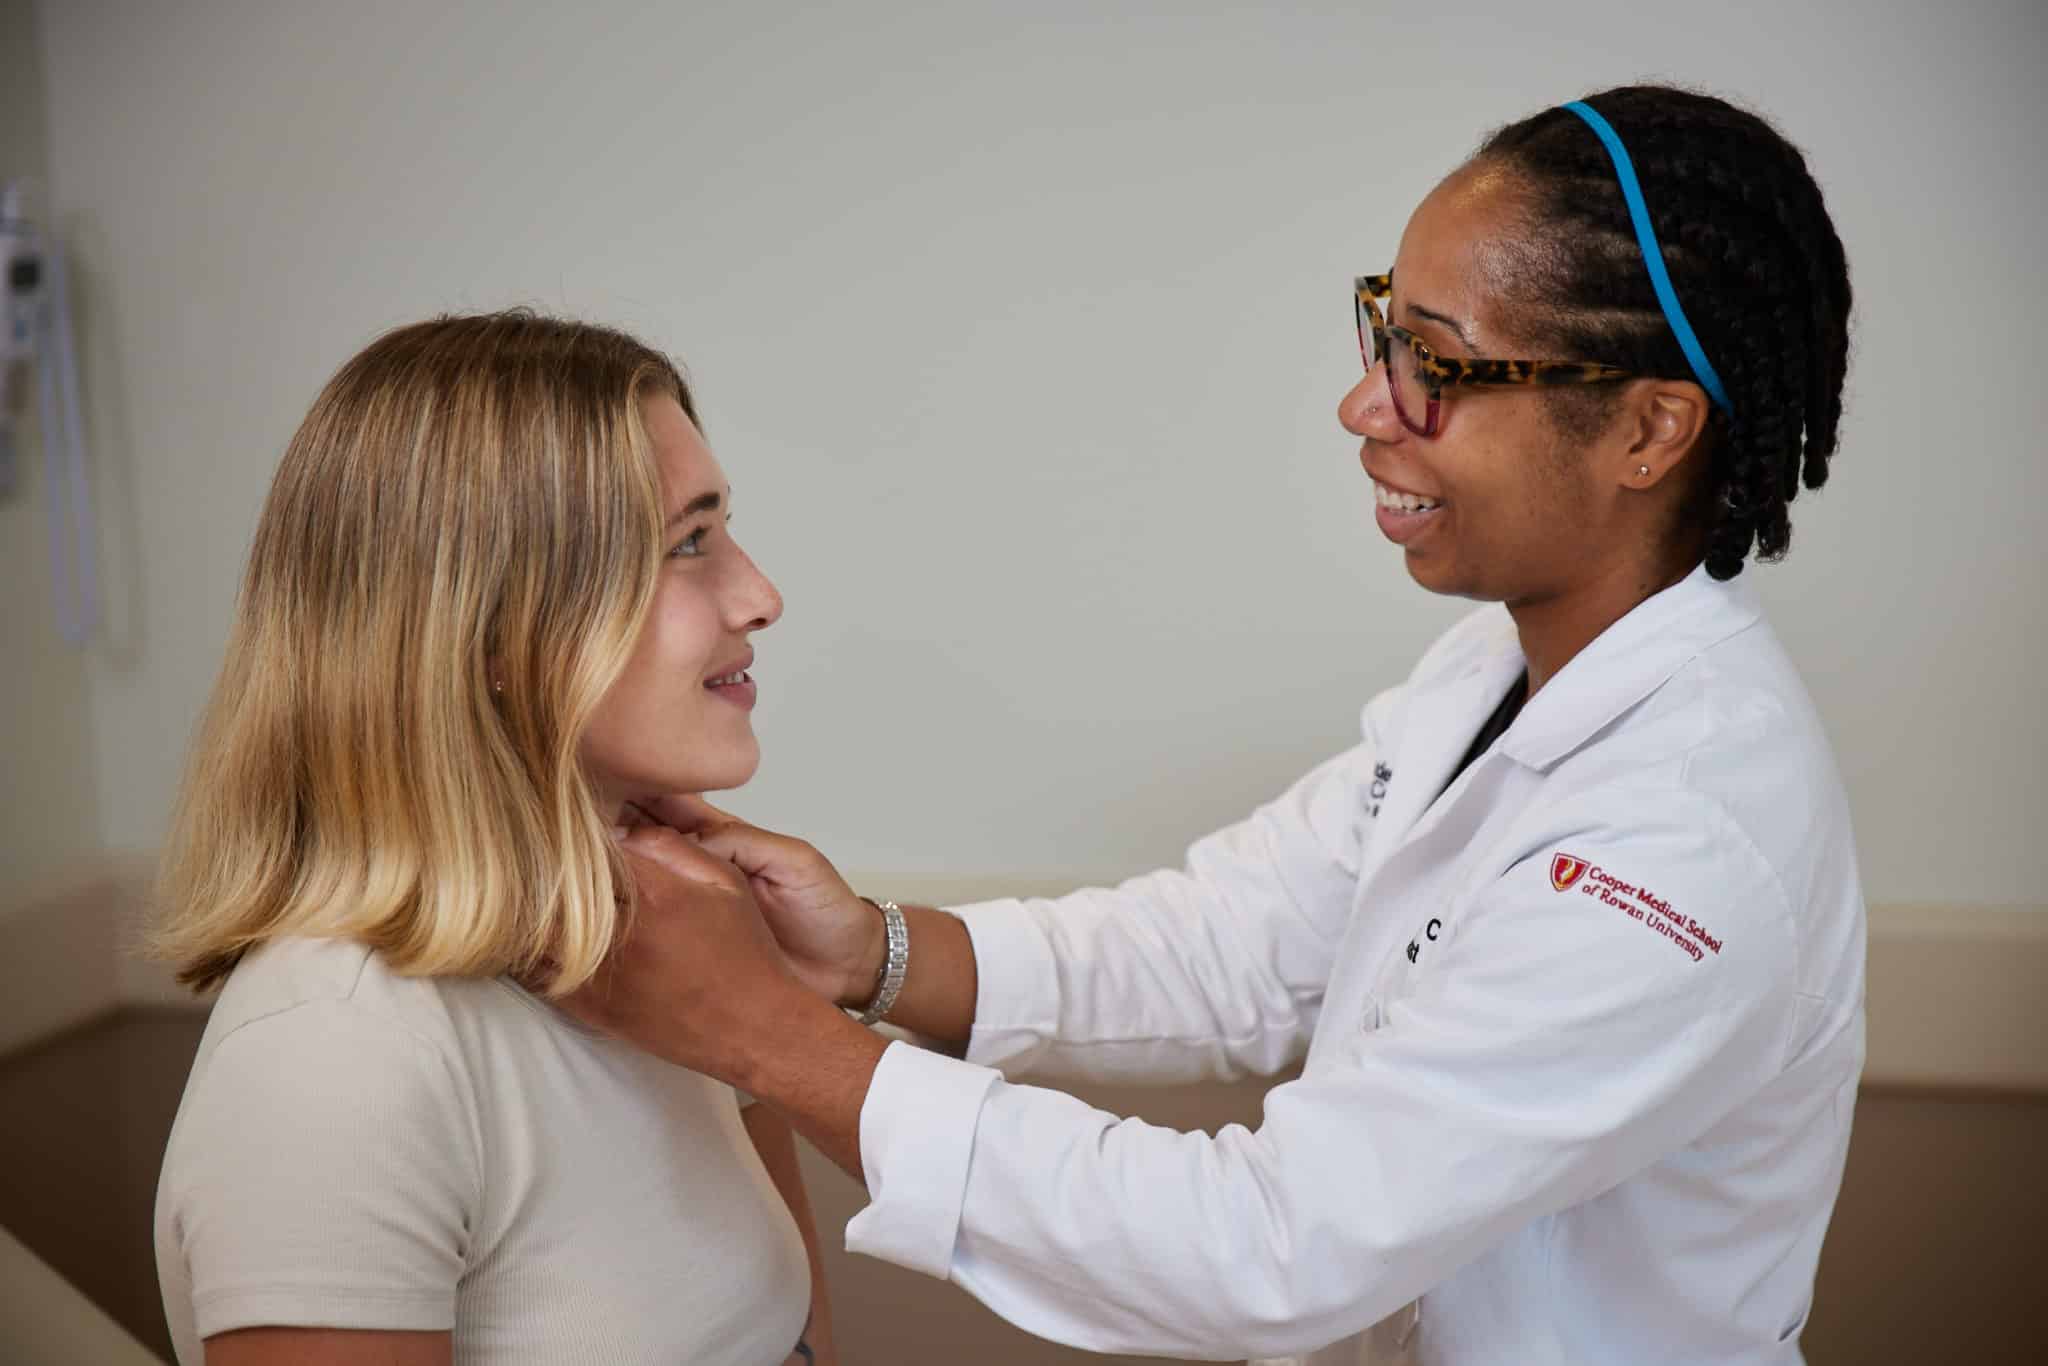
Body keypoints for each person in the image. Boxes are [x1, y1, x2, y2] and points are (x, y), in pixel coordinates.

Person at [566, 84, 1862, 1365]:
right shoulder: (1492, 671)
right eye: (1382, 329)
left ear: (1646, 429)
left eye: (1437, 364)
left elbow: (1266, 1248)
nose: (1366, 405)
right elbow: (1231, 943)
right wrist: (873, 954)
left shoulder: (1685, 839)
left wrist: (772, 1040)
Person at [149, 313, 832, 1366]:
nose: (760, 596)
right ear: (494, 630)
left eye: (723, 529)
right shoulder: (333, 1057)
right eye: (688, 544)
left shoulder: (685, 945)